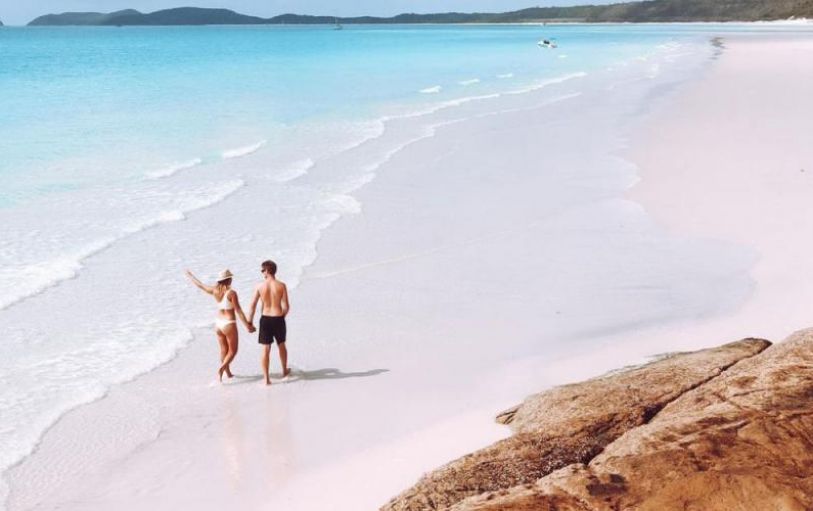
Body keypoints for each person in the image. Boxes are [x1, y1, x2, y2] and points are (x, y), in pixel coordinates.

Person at [186, 268, 254, 382]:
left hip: (218, 324)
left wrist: (190, 276)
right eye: (230, 278)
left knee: (223, 350)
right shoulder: (231, 293)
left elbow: (200, 285)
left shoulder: (214, 290)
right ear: (228, 280)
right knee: (233, 351)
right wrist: (247, 325)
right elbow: (238, 311)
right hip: (229, 323)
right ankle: (222, 368)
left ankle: (227, 373)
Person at [248, 260, 290, 385]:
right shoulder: (281, 285)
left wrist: (249, 322)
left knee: (266, 348)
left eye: (262, 270)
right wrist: (281, 317)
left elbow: (252, 305)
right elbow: (286, 307)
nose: (262, 273)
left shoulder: (259, 286)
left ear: (267, 271)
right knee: (281, 345)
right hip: (278, 318)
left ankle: (266, 379)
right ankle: (284, 371)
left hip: (265, 319)